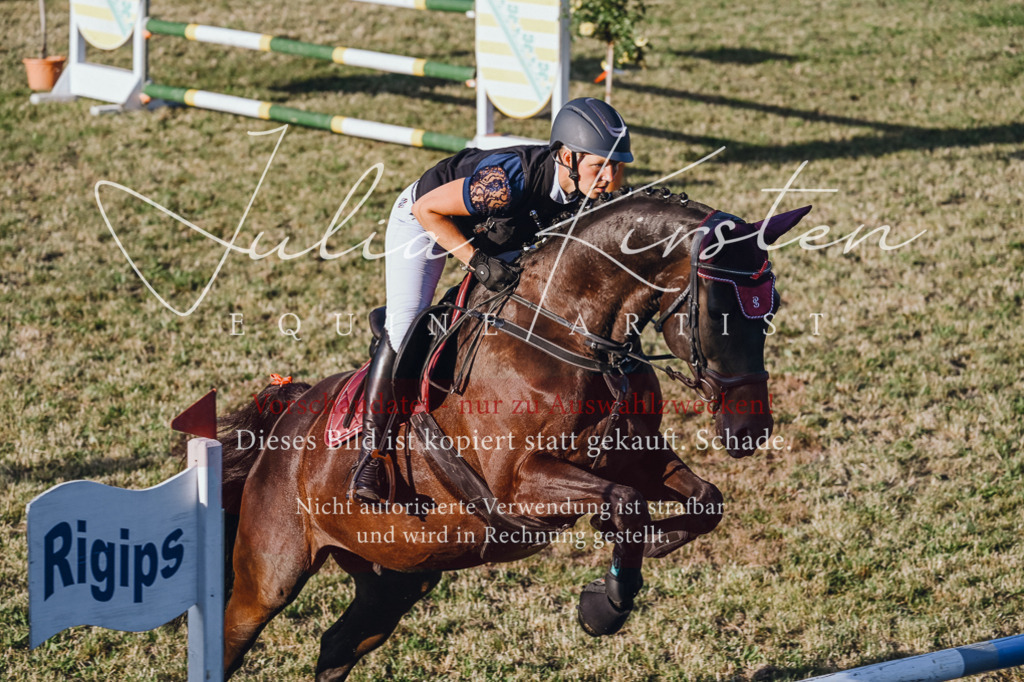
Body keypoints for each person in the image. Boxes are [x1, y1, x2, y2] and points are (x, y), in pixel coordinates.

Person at [351, 97, 634, 504]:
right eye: (599, 166)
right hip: (427, 222)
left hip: (505, 233)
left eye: (617, 166)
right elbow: (426, 209)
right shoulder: (506, 181)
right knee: (406, 326)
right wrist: (477, 263)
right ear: (568, 157)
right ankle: (372, 453)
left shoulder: (592, 187)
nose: (610, 177)